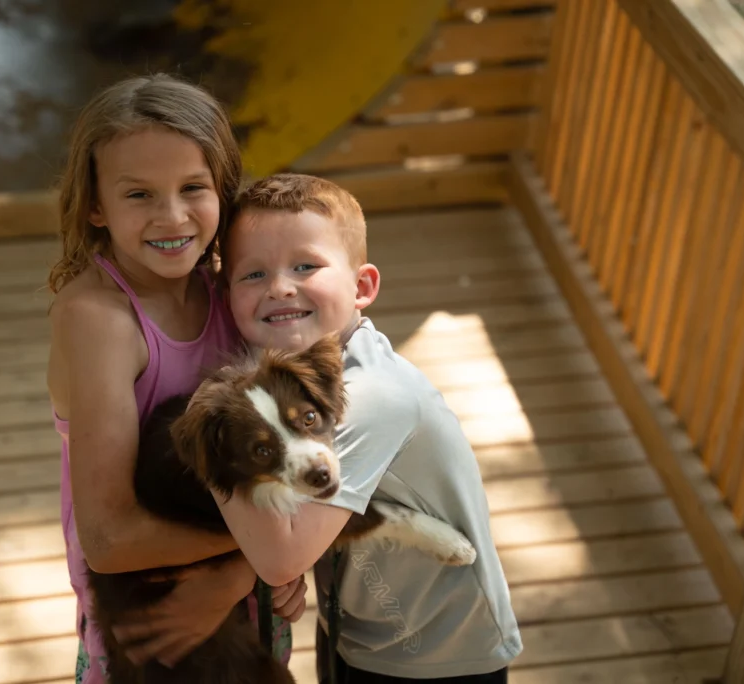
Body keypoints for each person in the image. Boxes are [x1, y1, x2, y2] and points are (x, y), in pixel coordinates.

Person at [212, 173, 523, 682]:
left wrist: (209, 440)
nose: (280, 287)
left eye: (305, 266)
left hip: (442, 649)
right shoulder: (285, 371)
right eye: (253, 275)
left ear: (362, 287)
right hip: (358, 624)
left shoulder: (375, 397)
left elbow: (280, 557)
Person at [45, 73, 297, 683]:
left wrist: (246, 572)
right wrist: (265, 554)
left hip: (247, 595)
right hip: (150, 627)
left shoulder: (231, 292)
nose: (172, 215)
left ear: (223, 192)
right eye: (139, 195)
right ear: (94, 205)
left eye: (193, 187)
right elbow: (107, 539)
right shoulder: (99, 320)